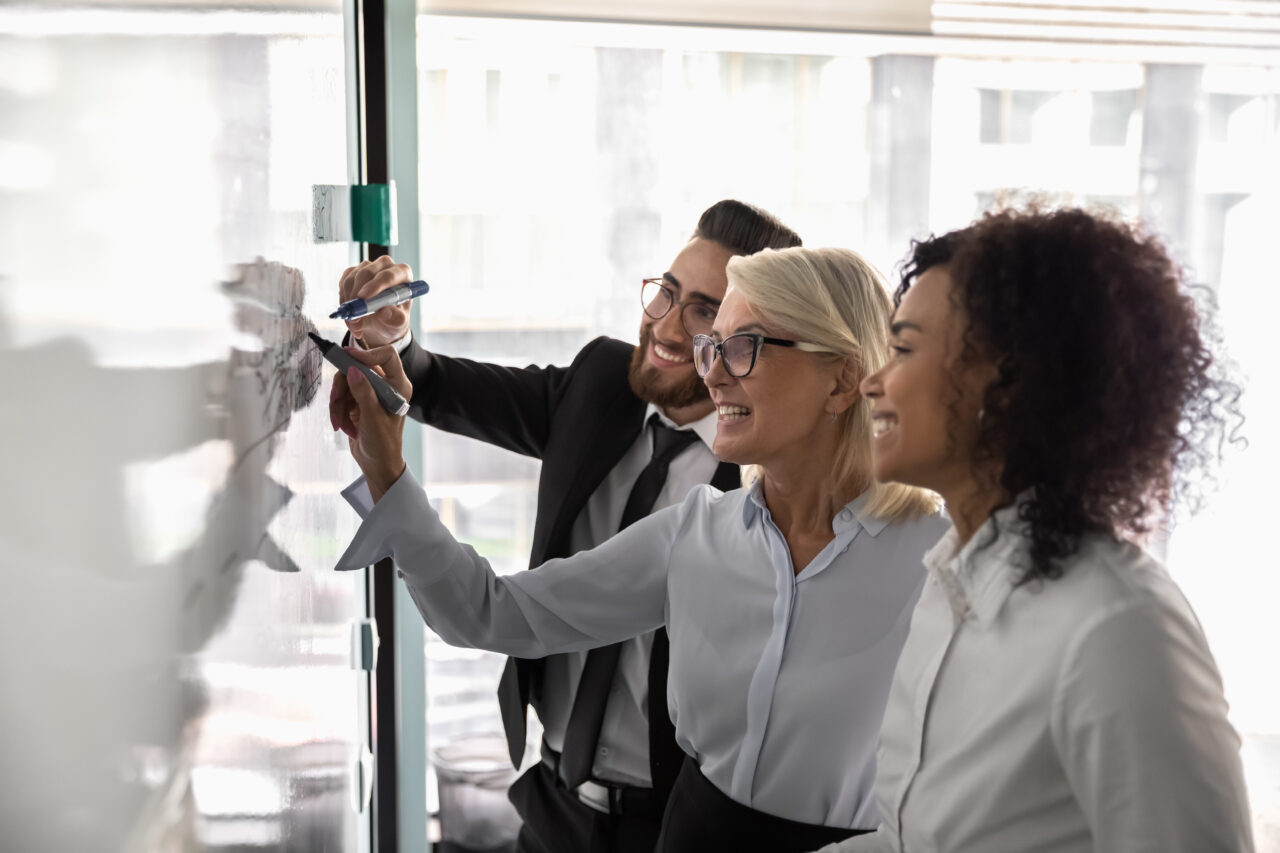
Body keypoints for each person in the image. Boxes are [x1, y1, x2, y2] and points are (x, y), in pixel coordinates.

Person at [332, 246, 949, 852]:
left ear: (843, 379)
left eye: (743, 346)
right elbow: (493, 613)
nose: (710, 370)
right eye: (715, 346)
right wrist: (388, 475)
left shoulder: (939, 561)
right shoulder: (695, 534)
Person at [818, 207, 1254, 852]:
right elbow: (908, 841)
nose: (874, 382)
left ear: (1013, 382)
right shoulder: (946, 586)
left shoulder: (1118, 627)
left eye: (904, 348)